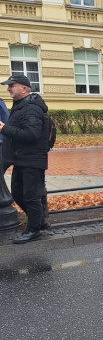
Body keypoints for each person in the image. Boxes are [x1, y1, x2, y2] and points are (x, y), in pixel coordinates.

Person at [0, 74, 50, 244]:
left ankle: (34, 230)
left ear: (24, 88)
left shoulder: (31, 108)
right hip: (21, 159)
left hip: (32, 160)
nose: (8, 88)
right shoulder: (21, 105)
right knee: (17, 193)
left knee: (30, 196)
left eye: (11, 85)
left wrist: (4, 129)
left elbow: (32, 134)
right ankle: (39, 221)